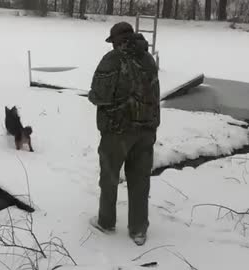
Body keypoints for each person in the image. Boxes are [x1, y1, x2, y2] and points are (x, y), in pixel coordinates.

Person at [87, 22, 160, 246]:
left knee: (109, 178)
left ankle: (106, 222)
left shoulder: (112, 59)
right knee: (140, 180)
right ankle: (138, 230)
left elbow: (100, 95)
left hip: (117, 131)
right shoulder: (148, 59)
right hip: (146, 130)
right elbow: (156, 95)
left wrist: (92, 95)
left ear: (117, 40)